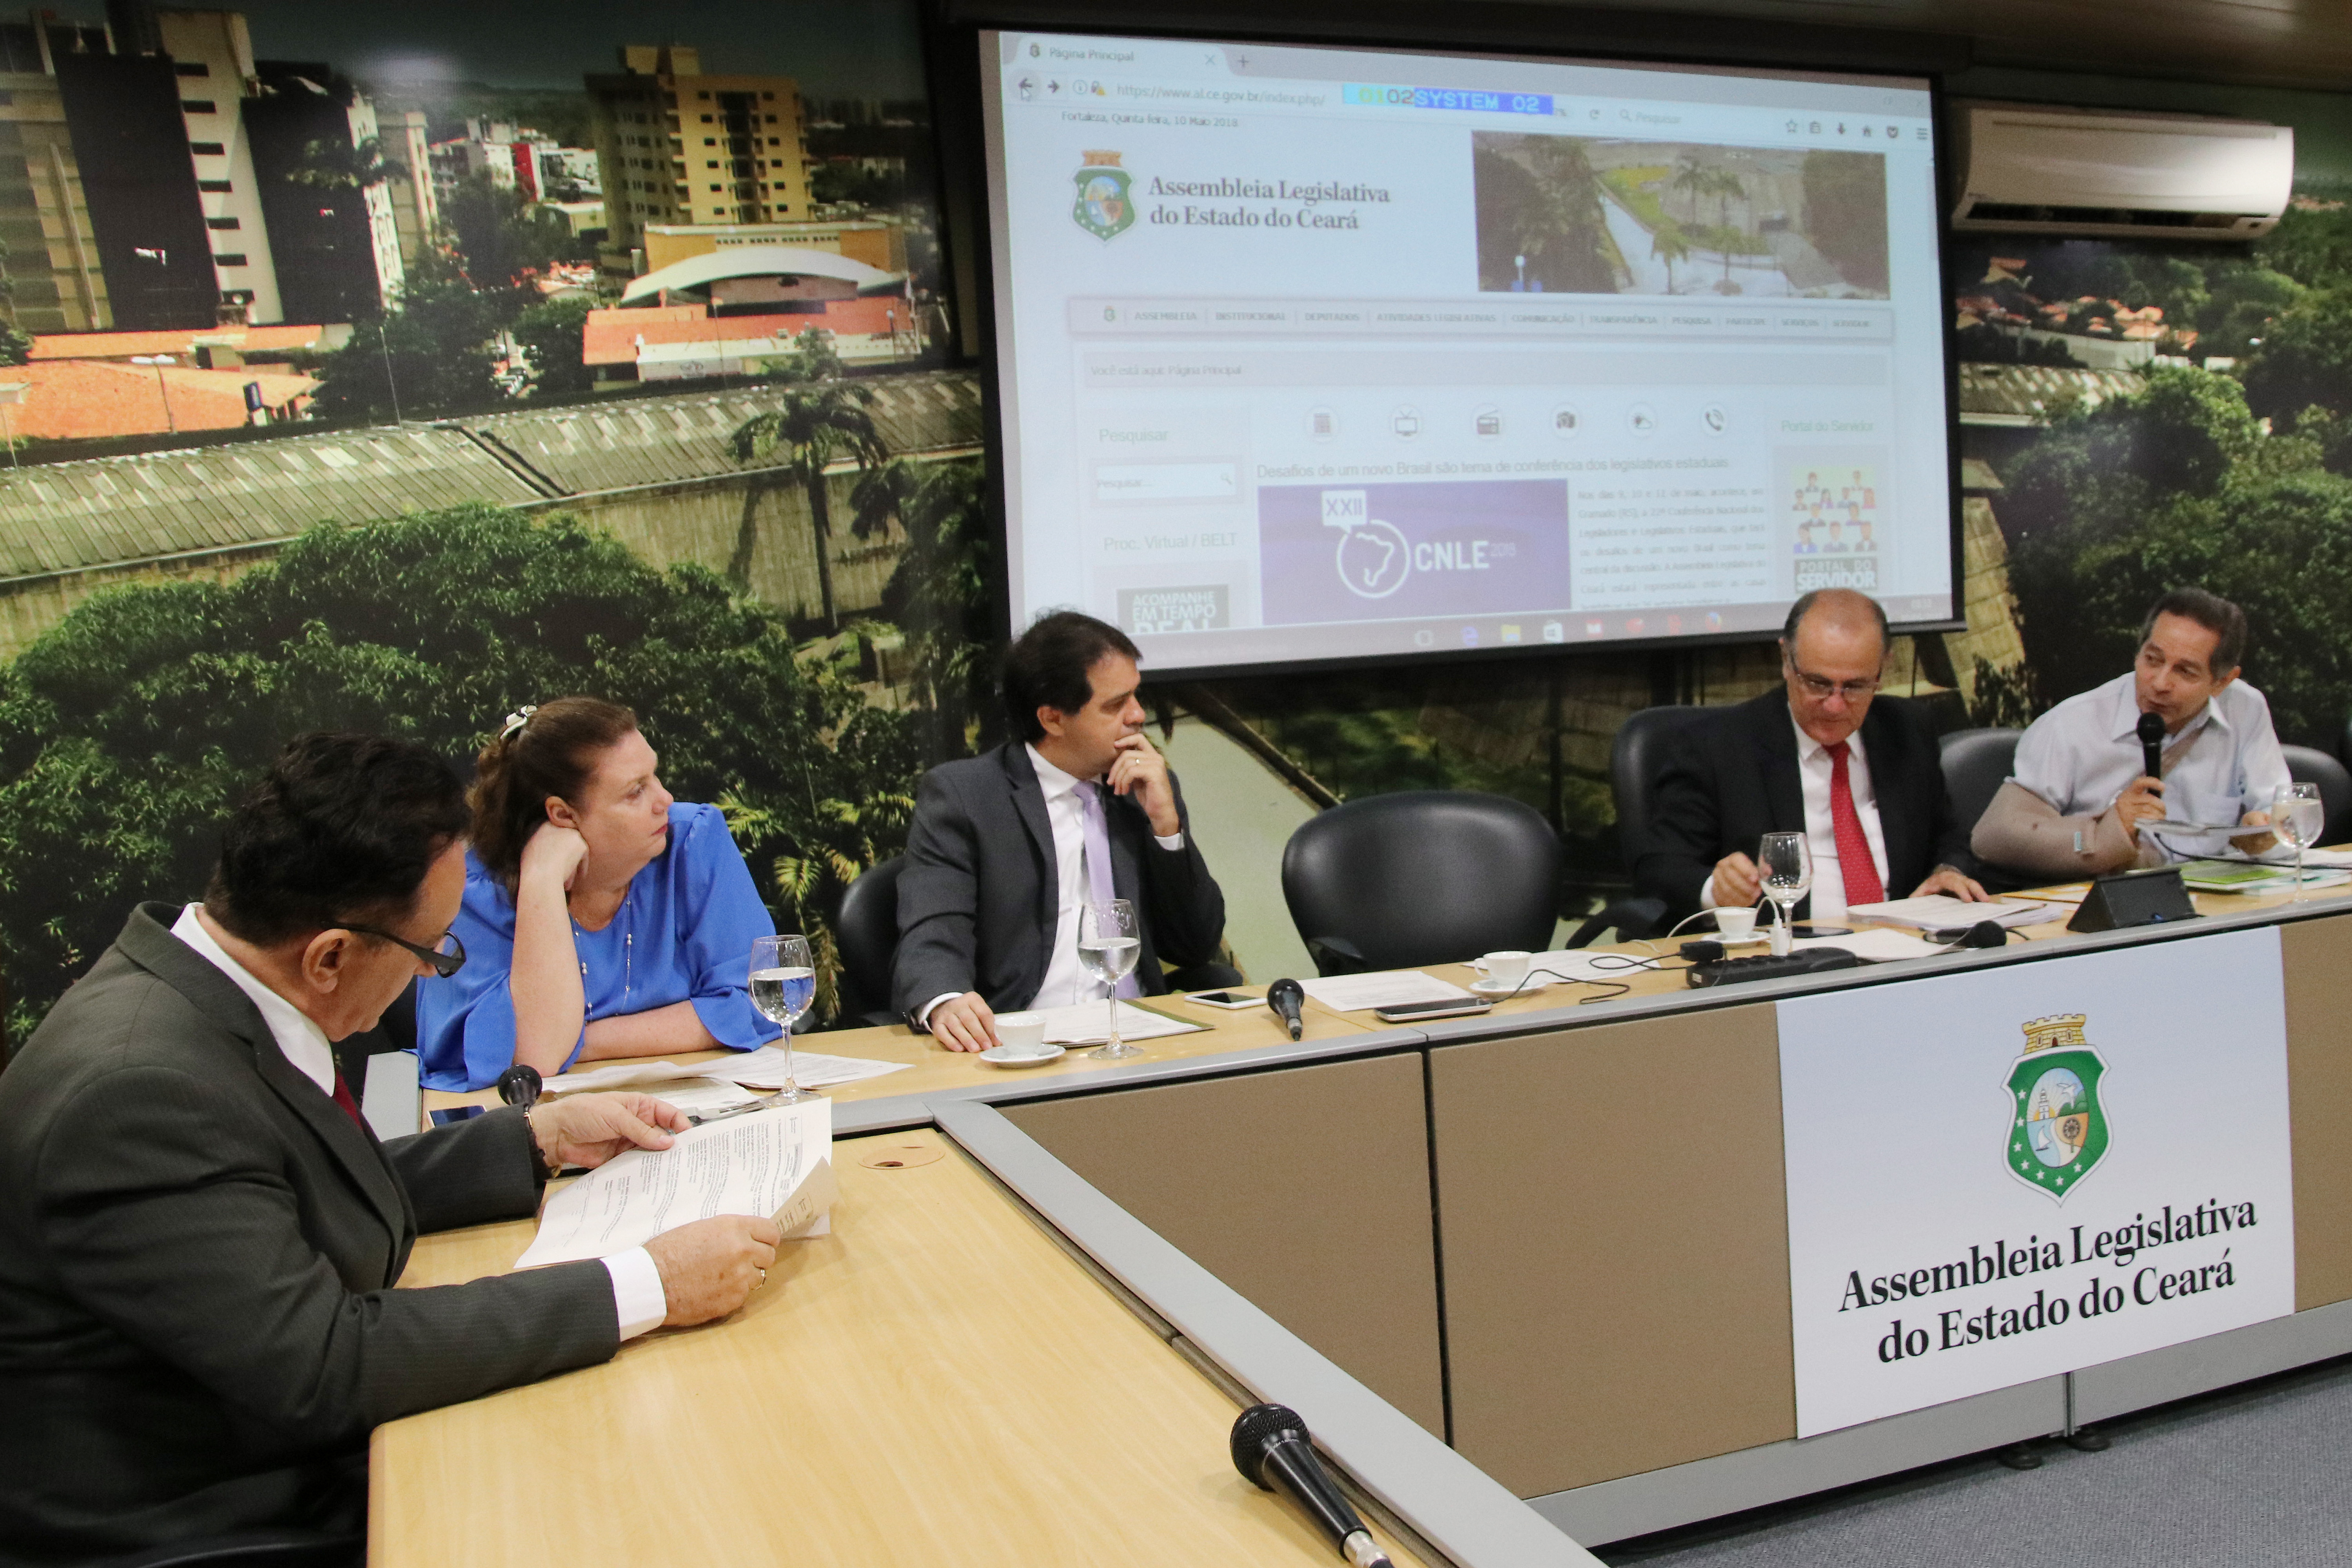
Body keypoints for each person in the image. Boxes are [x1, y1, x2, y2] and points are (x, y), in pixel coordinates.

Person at [0, 733, 778, 1566]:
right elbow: (326, 1364)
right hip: (215, 1517)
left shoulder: (197, 999)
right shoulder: (138, 1094)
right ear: (330, 957)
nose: (430, 976)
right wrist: (649, 1283)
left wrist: (534, 1139)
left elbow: (273, 1186)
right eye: (432, 952)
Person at [895, 611, 1231, 1051]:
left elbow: (1195, 946)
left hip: (1140, 1039)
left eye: (1137, 695)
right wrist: (947, 1001)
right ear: (1053, 719)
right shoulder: (966, 797)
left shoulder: (1145, 789)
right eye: (1115, 705)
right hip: (1023, 1043)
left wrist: (1167, 826)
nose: (1138, 715)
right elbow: (933, 931)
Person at [417, 698, 781, 1091]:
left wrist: (583, 1041)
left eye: (655, 776)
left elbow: (767, 1001)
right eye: (635, 792)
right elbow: (533, 1056)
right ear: (563, 815)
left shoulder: (691, 841)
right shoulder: (473, 894)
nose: (665, 800)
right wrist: (542, 878)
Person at [1633, 588, 1988, 927]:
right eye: (1818, 683)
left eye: (1855, 687)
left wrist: (1948, 872)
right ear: (1786, 661)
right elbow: (1661, 864)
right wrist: (1717, 889)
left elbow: (1948, 835)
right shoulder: (1718, 747)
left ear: (1883, 670)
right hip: (1782, 949)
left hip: (1904, 941)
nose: (1834, 705)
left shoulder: (1907, 730)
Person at [1972, 589, 2286, 878]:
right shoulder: (2070, 725)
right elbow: (1997, 839)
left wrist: (2263, 835)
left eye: (2184, 671)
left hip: (2213, 900)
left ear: (2222, 682)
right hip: (2102, 901)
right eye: (2153, 660)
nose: (2160, 683)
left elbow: (2282, 813)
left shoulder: (2245, 709)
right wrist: (2102, 835)